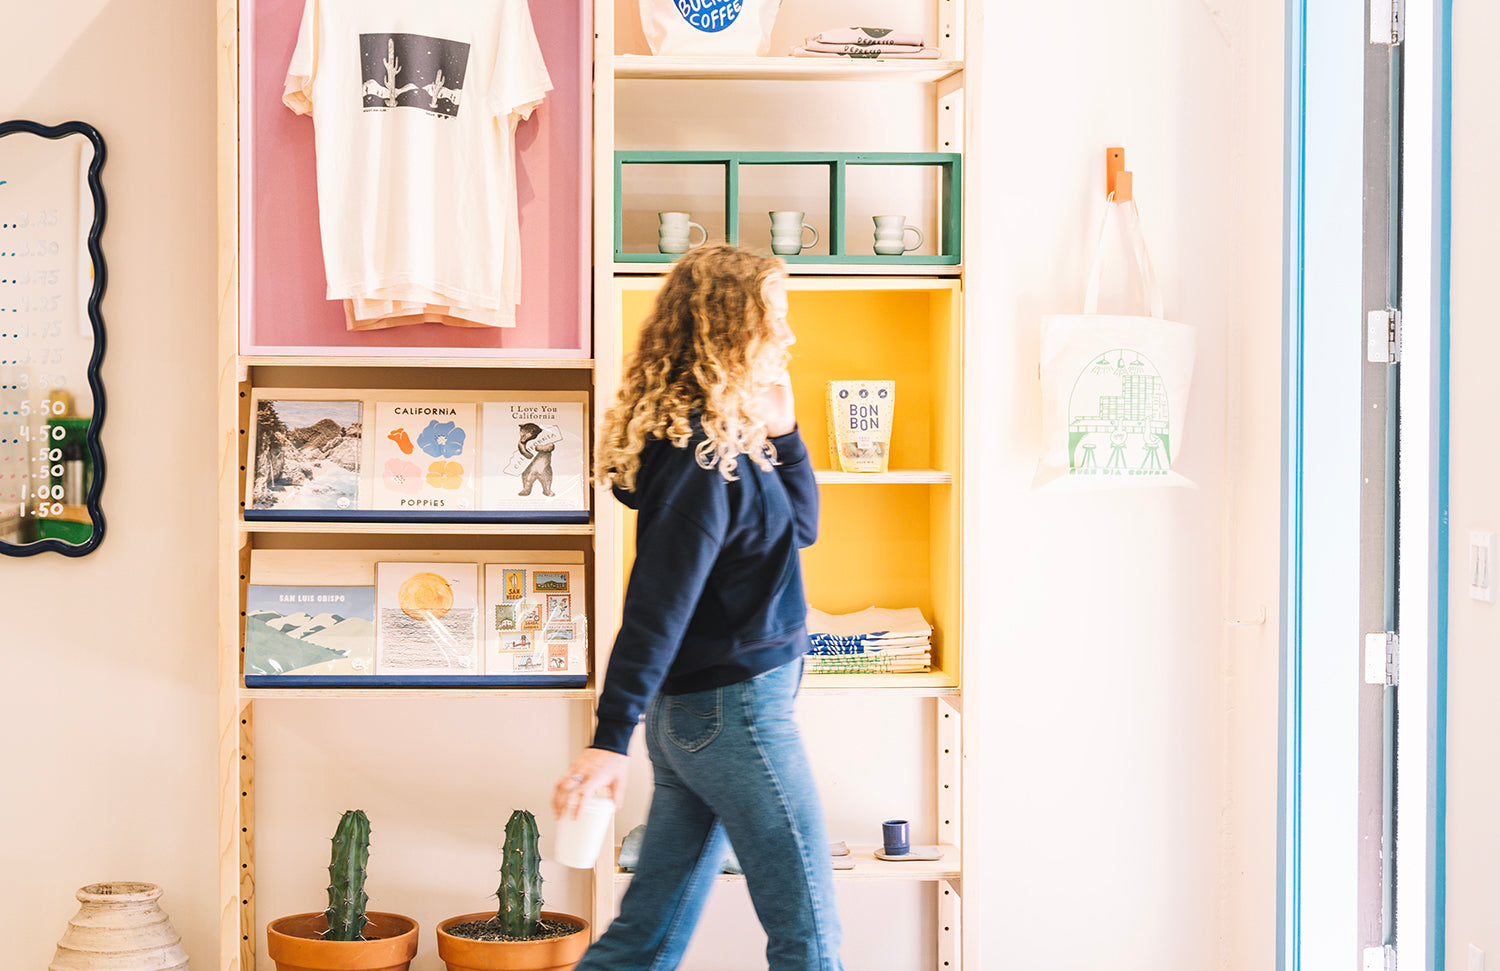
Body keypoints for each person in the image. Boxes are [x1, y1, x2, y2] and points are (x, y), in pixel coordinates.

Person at [554, 244, 843, 970]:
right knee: (808, 932)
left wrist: (786, 432)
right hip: (736, 714)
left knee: (645, 937)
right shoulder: (703, 457)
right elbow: (658, 602)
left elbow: (800, 529)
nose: (789, 334)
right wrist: (608, 737)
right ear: (729, 326)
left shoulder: (730, 436)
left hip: (709, 715)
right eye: (774, 316)